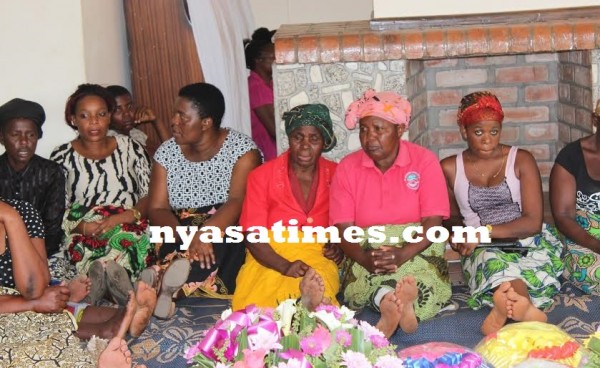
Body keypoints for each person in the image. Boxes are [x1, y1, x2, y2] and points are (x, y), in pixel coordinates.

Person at [330, 89, 452, 338]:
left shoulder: (424, 161)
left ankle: (392, 302)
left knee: (418, 273)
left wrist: (403, 253)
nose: (369, 137)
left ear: (399, 130)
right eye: (364, 129)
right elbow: (343, 229)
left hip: (415, 244)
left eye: (378, 129)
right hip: (367, 246)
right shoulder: (347, 168)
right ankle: (396, 303)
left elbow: (433, 222)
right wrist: (365, 259)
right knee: (373, 276)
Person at [440, 91, 564, 335]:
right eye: (478, 133)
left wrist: (480, 232)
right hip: (483, 247)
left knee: (518, 266)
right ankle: (522, 307)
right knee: (492, 262)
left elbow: (532, 222)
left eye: (494, 132)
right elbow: (451, 218)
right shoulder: (449, 167)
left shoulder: (521, 160)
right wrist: (458, 234)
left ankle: (509, 308)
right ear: (464, 131)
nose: (487, 140)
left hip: (527, 240)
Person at [148, 82, 262, 318]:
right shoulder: (166, 153)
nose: (173, 121)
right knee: (160, 235)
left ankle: (161, 286)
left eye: (182, 116)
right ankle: (168, 287)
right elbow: (158, 207)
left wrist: (205, 233)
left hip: (221, 223)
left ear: (206, 122)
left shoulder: (242, 151)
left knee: (228, 236)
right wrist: (185, 235)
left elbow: (237, 201)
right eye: (174, 114)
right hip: (178, 227)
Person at [0, 196, 155, 366]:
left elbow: (35, 288)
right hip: (15, 310)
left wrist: (12, 219)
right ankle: (106, 331)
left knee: (49, 305)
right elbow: (35, 298)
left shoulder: (22, 212)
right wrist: (31, 304)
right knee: (29, 331)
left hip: (23, 302)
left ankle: (118, 320)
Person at [232, 103, 343, 311]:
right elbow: (252, 236)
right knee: (260, 301)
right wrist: (284, 266)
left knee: (318, 282)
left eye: (314, 139)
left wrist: (338, 247)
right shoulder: (261, 176)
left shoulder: (336, 175)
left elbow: (344, 222)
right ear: (289, 138)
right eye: (298, 137)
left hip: (315, 255)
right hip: (268, 256)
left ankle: (310, 308)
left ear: (324, 142)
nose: (304, 145)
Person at [50, 84, 153, 306]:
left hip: (127, 222)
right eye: (85, 116)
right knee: (83, 247)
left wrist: (126, 216)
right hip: (86, 227)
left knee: (127, 239)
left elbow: (149, 195)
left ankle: (106, 289)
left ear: (109, 117)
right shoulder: (61, 156)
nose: (94, 122)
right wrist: (82, 227)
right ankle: (120, 290)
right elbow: (58, 208)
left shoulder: (131, 148)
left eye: (101, 114)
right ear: (73, 119)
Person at [0, 98, 65, 256]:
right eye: (15, 135)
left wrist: (30, 257)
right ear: (2, 137)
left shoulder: (51, 172)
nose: (24, 142)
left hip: (41, 253)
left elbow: (53, 228)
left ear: (38, 136)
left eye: (30, 135)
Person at [549, 99, 600, 295]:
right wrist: (596, 245)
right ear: (595, 120)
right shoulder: (571, 157)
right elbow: (563, 216)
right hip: (583, 237)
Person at [106, 85, 171, 157]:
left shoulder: (135, 133)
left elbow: (172, 153)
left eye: (130, 106)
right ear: (106, 114)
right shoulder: (110, 140)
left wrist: (156, 120)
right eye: (117, 109)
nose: (127, 114)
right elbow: (166, 158)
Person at [245, 27, 277, 161]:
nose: (277, 60)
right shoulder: (256, 87)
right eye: (273, 57)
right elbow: (274, 130)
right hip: (267, 154)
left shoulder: (267, 84)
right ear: (258, 60)